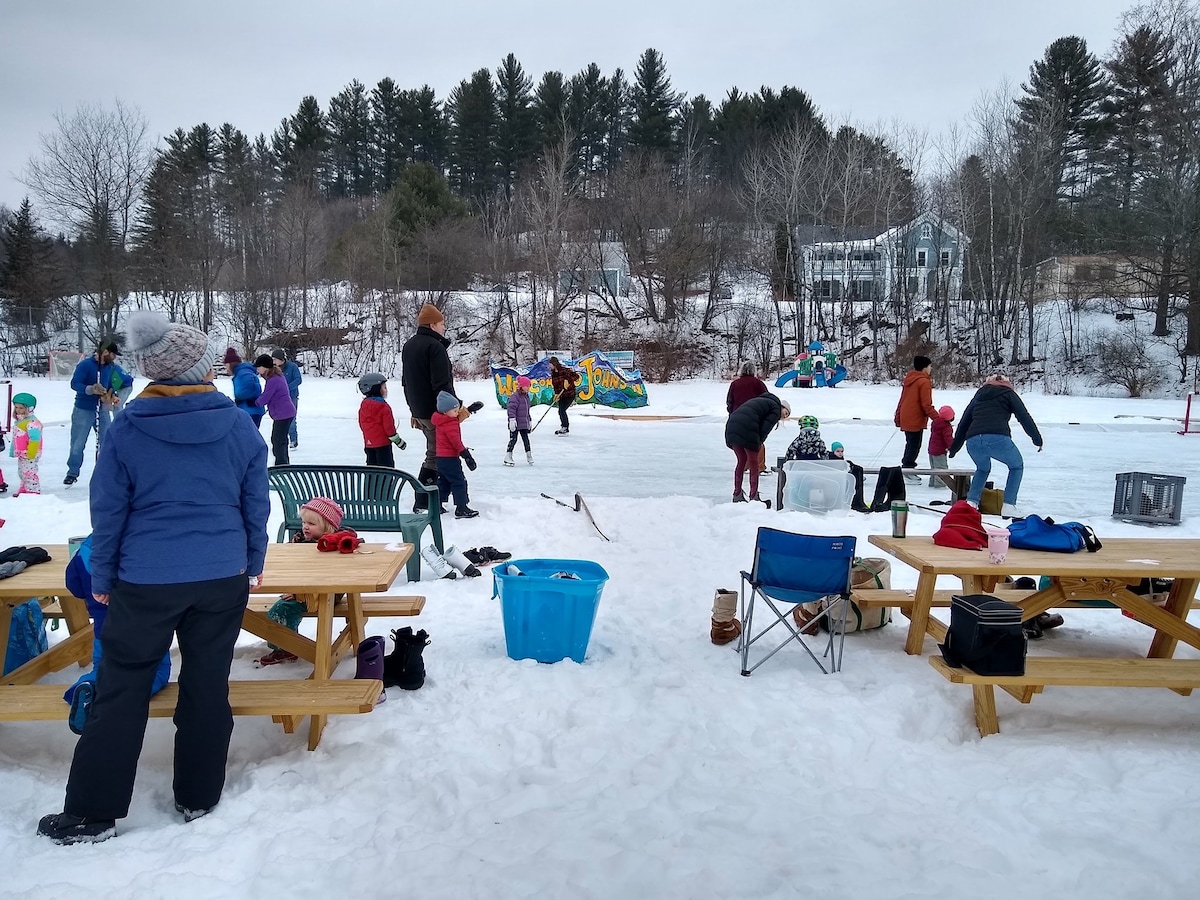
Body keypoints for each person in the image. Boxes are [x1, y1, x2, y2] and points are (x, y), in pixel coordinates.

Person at [38, 309, 269, 845]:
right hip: (221, 576)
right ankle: (199, 795)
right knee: (207, 684)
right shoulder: (238, 425)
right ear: (200, 368)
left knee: (122, 688)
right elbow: (254, 505)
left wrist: (105, 571)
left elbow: (109, 512)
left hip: (145, 581)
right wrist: (252, 561)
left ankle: (93, 812)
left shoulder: (126, 429)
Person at [256, 497, 348, 667]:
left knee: (280, 611)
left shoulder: (332, 546)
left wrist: (298, 593)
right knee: (280, 607)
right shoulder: (300, 541)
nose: (305, 526)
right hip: (301, 589)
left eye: (312, 524)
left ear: (328, 527)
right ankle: (286, 642)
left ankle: (287, 648)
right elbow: (288, 565)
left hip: (323, 594)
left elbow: (326, 577)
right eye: (304, 521)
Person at [948, 373, 1044, 518]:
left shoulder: (978, 396)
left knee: (982, 469)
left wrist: (954, 448)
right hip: (997, 438)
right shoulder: (1008, 393)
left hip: (973, 441)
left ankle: (971, 503)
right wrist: (1037, 439)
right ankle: (1009, 505)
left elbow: (964, 423)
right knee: (1016, 466)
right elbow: (1023, 416)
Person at [402, 304, 456, 511]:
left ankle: (437, 495)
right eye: (442, 324)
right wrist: (452, 409)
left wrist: (413, 410)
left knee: (435, 451)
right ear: (432, 324)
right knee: (436, 453)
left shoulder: (410, 345)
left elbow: (406, 381)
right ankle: (425, 499)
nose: (444, 327)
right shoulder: (435, 347)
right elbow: (442, 384)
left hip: (419, 409)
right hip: (435, 410)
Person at [65, 340, 121, 485]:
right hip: (83, 409)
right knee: (78, 443)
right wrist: (90, 389)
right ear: (105, 352)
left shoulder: (109, 367)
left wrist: (112, 395)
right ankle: (72, 472)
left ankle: (105, 471)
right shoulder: (86, 365)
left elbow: (109, 385)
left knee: (107, 440)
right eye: (113, 354)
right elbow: (75, 383)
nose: (114, 358)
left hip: (102, 409)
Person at [724, 393, 790, 503]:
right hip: (747, 428)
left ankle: (737, 493)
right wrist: (758, 443)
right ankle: (754, 496)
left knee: (742, 461)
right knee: (754, 464)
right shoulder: (775, 408)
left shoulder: (762, 401)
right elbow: (765, 428)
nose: (784, 416)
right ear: (782, 407)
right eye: (786, 413)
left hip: (732, 427)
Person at [432, 390, 479, 519]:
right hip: (450, 458)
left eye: (458, 410)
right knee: (459, 481)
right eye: (455, 411)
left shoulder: (441, 420)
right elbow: (455, 442)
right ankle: (461, 507)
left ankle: (437, 504)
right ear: (445, 412)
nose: (458, 413)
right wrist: (466, 455)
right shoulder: (450, 423)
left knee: (445, 481)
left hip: (441, 458)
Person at [894, 354, 939, 482]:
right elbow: (926, 404)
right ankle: (908, 469)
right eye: (930, 366)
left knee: (911, 444)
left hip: (906, 415)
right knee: (914, 445)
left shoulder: (909, 379)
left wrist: (898, 416)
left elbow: (902, 399)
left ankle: (907, 467)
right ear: (925, 368)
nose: (931, 369)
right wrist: (938, 418)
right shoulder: (923, 381)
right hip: (915, 417)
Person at [253, 354, 297, 466]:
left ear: (265, 367)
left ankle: (281, 465)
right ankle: (284, 464)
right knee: (280, 440)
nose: (257, 369)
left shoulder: (273, 380)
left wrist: (254, 402)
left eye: (259, 367)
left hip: (284, 413)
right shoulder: (275, 376)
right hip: (284, 413)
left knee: (277, 441)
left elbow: (265, 397)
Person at [726, 362, 770, 474]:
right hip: (754, 417)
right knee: (757, 441)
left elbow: (730, 401)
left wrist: (732, 414)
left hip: (737, 417)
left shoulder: (735, 384)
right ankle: (759, 466)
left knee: (741, 441)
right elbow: (766, 399)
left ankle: (744, 465)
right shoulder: (758, 384)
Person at [357, 372, 406, 467]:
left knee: (372, 470)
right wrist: (398, 441)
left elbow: (362, 424)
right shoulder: (384, 407)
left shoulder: (363, 406)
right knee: (386, 470)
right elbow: (389, 428)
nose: (386, 390)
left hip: (369, 445)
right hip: (383, 446)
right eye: (384, 388)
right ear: (375, 389)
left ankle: (370, 482)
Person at [11, 392, 43, 496]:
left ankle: (33, 490)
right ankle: (24, 488)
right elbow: (17, 438)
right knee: (22, 472)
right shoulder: (20, 421)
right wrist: (14, 451)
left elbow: (35, 439)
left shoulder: (32, 422)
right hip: (22, 453)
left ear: (29, 408)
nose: (18, 410)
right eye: (16, 407)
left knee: (29, 472)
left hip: (30, 453)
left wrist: (31, 453)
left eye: (21, 408)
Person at [223, 348, 263, 428]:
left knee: (248, 438)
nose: (225, 368)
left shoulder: (243, 372)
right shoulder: (240, 372)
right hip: (248, 410)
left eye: (226, 365)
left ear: (230, 364)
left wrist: (240, 397)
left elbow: (252, 385)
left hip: (251, 410)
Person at [272, 348, 302, 448]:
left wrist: (286, 388)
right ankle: (282, 439)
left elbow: (298, 379)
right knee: (280, 419)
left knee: (291, 419)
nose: (274, 361)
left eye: (275, 359)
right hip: (279, 399)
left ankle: (293, 439)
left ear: (281, 359)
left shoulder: (292, 366)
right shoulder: (274, 369)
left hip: (292, 397)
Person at [828, 441, 871, 513]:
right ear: (833, 451)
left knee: (858, 469)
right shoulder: (831, 461)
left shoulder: (844, 462)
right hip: (836, 483)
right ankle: (856, 502)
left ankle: (858, 501)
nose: (840, 453)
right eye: (837, 451)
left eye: (842, 451)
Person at [504, 375, 534, 466]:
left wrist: (529, 420)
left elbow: (527, 410)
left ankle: (529, 455)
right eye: (527, 386)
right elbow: (511, 409)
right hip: (516, 423)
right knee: (513, 439)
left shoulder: (526, 397)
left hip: (523, 423)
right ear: (522, 386)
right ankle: (508, 456)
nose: (529, 388)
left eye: (529, 386)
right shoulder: (515, 397)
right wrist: (512, 420)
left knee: (526, 439)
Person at [549, 356, 581, 435]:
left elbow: (576, 376)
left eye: (550, 364)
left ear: (554, 364)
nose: (549, 366)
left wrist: (568, 381)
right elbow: (555, 385)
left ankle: (565, 427)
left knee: (562, 410)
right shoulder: (553, 374)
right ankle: (564, 427)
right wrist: (556, 394)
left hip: (569, 394)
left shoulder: (564, 370)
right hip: (561, 395)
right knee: (560, 411)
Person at [927, 405, 955, 488]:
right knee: (941, 469)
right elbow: (948, 438)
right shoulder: (946, 427)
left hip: (932, 449)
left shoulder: (935, 423)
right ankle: (940, 485)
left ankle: (932, 482)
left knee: (934, 469)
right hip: (939, 451)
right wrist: (952, 447)